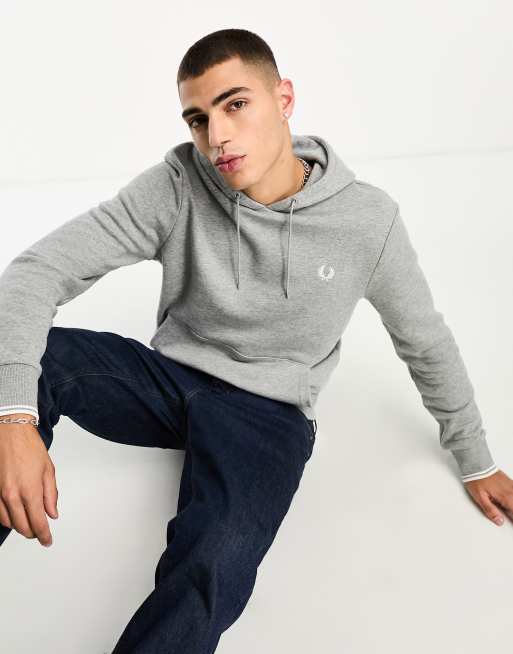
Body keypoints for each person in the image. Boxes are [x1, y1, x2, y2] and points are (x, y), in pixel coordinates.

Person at [0, 26, 511, 653]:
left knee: (212, 565)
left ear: (284, 98)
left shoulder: (367, 221)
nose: (216, 136)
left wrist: (477, 458)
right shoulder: (179, 185)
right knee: (33, 364)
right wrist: (14, 419)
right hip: (170, 382)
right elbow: (37, 271)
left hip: (268, 416)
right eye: (198, 118)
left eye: (235, 104)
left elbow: (424, 340)